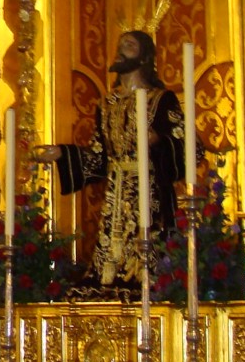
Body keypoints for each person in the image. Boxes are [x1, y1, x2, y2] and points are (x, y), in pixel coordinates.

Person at [32, 29, 185, 286]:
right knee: (106, 270)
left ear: (144, 57)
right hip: (116, 195)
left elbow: (187, 146)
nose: (121, 49)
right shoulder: (107, 104)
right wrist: (62, 153)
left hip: (150, 192)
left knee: (148, 259)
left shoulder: (161, 100)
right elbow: (98, 155)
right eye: (120, 44)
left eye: (130, 45)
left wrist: (158, 140)